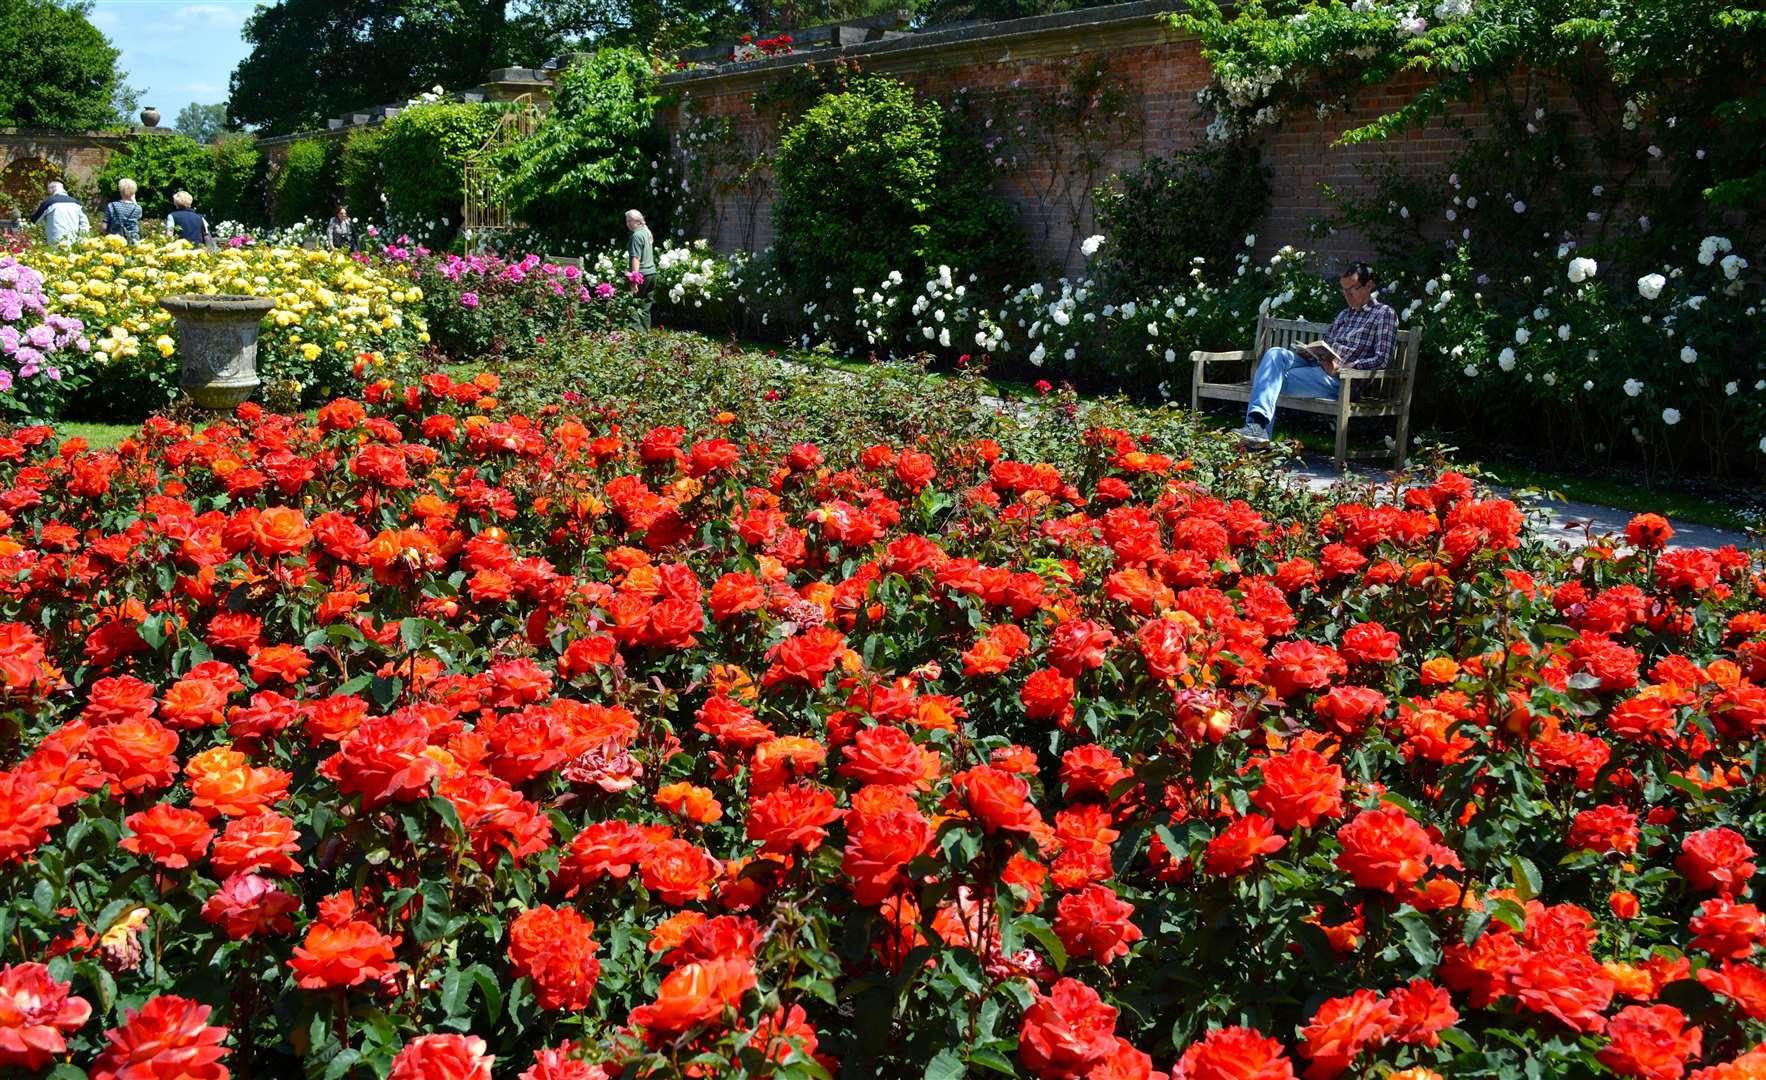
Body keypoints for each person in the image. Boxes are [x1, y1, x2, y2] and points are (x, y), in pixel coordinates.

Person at [1237, 260, 1397, 443]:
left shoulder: (1384, 314)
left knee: (1269, 378)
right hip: (1317, 367)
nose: (1347, 295)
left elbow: (1383, 360)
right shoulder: (1345, 314)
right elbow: (1326, 344)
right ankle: (1257, 428)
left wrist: (1342, 368)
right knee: (1275, 353)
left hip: (1341, 381)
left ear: (1369, 285)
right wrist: (1309, 352)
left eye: (1352, 289)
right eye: (1344, 290)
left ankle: (1258, 432)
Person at [625, 209, 657, 331]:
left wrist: (634, 279)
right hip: (652, 274)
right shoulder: (646, 232)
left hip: (642, 275)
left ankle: (636, 336)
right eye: (627, 221)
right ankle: (645, 336)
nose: (627, 224)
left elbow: (636, 258)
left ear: (637, 221)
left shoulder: (637, 235)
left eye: (629, 221)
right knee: (645, 308)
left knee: (633, 306)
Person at [103, 178, 142, 243]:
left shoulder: (112, 206)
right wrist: (134, 200)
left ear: (120, 190)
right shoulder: (137, 208)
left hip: (115, 241)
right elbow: (138, 218)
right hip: (132, 241)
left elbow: (104, 227)